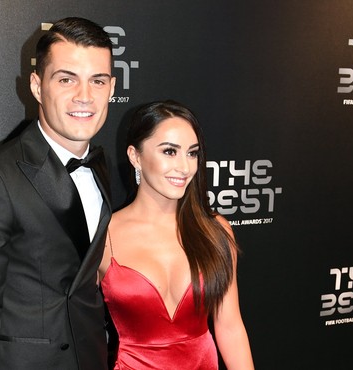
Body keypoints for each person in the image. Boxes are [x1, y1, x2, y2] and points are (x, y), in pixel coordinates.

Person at [0, 17, 116, 370]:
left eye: (97, 81)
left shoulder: (100, 167)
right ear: (38, 87)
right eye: (66, 79)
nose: (84, 96)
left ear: (112, 88)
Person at [99, 100, 254, 369]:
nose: (184, 167)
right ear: (135, 156)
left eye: (192, 153)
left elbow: (229, 327)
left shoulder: (215, 230)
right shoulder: (104, 235)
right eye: (170, 152)